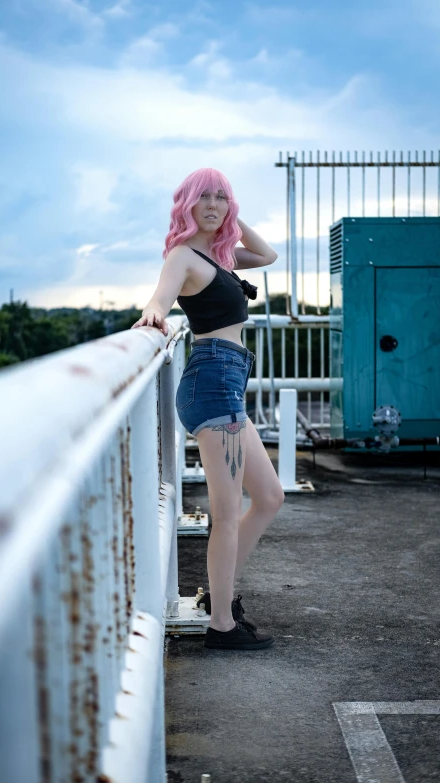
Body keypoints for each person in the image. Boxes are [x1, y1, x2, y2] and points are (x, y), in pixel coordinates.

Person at [131, 168, 284, 650]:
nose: (214, 205)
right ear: (187, 204)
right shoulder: (183, 255)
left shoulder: (218, 255)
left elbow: (267, 255)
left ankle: (217, 597)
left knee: (269, 496)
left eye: (223, 198)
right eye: (205, 198)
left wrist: (233, 221)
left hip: (227, 381)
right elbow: (161, 295)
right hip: (213, 381)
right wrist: (154, 312)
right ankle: (221, 624)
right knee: (225, 509)